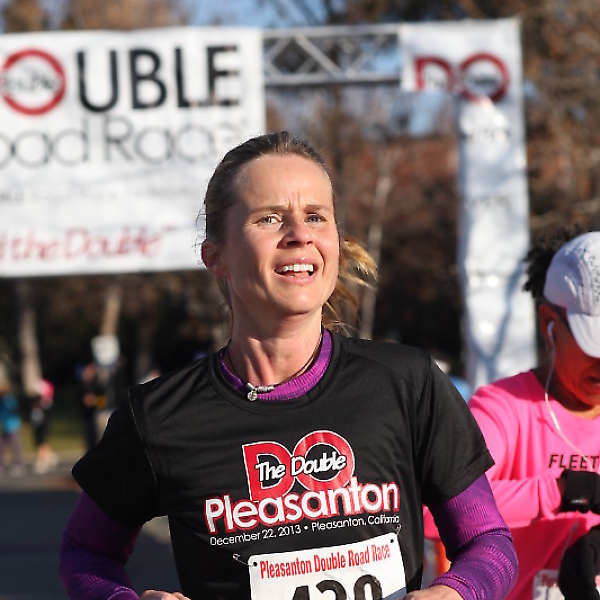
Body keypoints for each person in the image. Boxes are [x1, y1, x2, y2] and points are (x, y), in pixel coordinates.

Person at [59, 131, 517, 600]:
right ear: (215, 256)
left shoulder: (406, 383)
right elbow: (85, 552)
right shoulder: (159, 415)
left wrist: (457, 592)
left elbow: (488, 542)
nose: (300, 234)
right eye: (270, 218)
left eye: (315, 216)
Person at [464, 228, 600, 600]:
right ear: (548, 323)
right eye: (594, 345)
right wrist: (563, 491)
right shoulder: (503, 408)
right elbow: (437, 504)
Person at [30, 377, 59, 474]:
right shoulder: (37, 400)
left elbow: (46, 414)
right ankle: (51, 456)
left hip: (43, 424)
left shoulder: (46, 402)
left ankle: (42, 461)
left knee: (41, 442)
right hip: (38, 424)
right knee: (40, 442)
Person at [0, 378, 26, 477]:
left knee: (15, 445)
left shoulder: (10, 400)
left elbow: (13, 411)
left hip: (12, 426)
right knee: (2, 446)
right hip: (6, 426)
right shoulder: (2, 401)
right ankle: (1, 464)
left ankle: (19, 464)